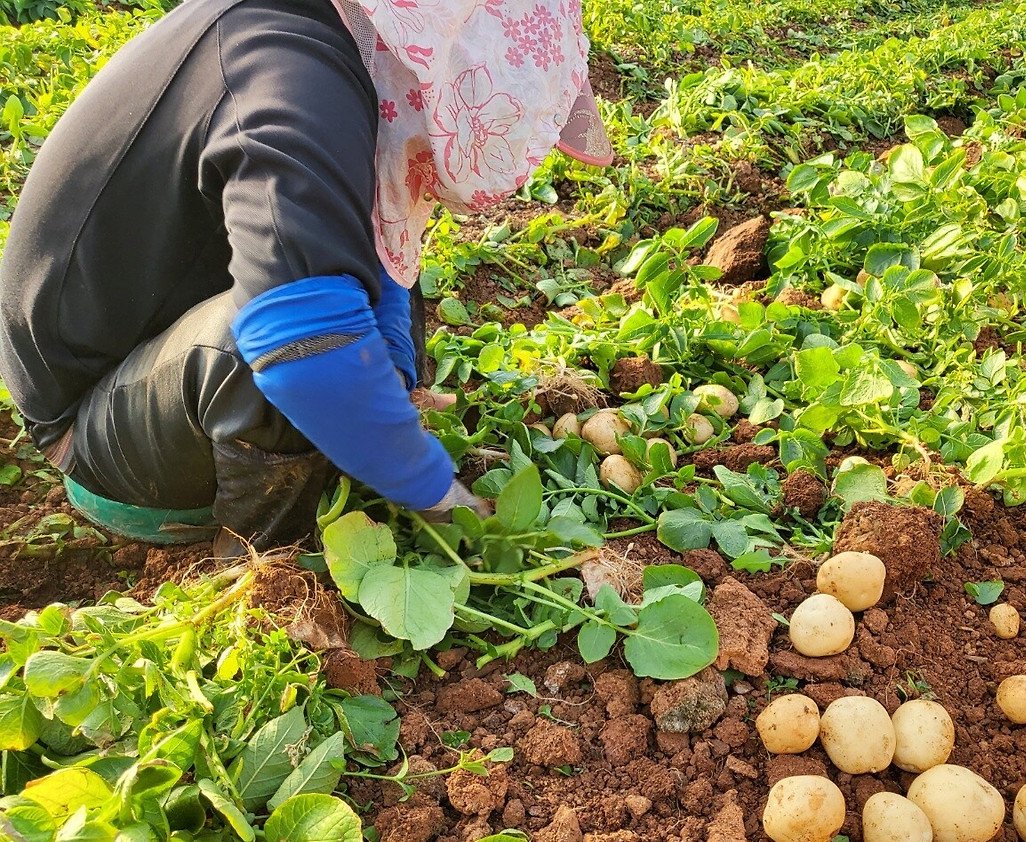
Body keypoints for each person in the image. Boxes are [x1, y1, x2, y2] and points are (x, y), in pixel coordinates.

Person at [0, 0, 613, 553]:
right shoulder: (287, 74)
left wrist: (393, 374)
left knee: (361, 279)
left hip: (162, 348)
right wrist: (440, 495)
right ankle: (259, 567)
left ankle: (346, 429)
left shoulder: (346, 44)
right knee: (304, 341)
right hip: (99, 434)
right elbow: (302, 340)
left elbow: (377, 252)